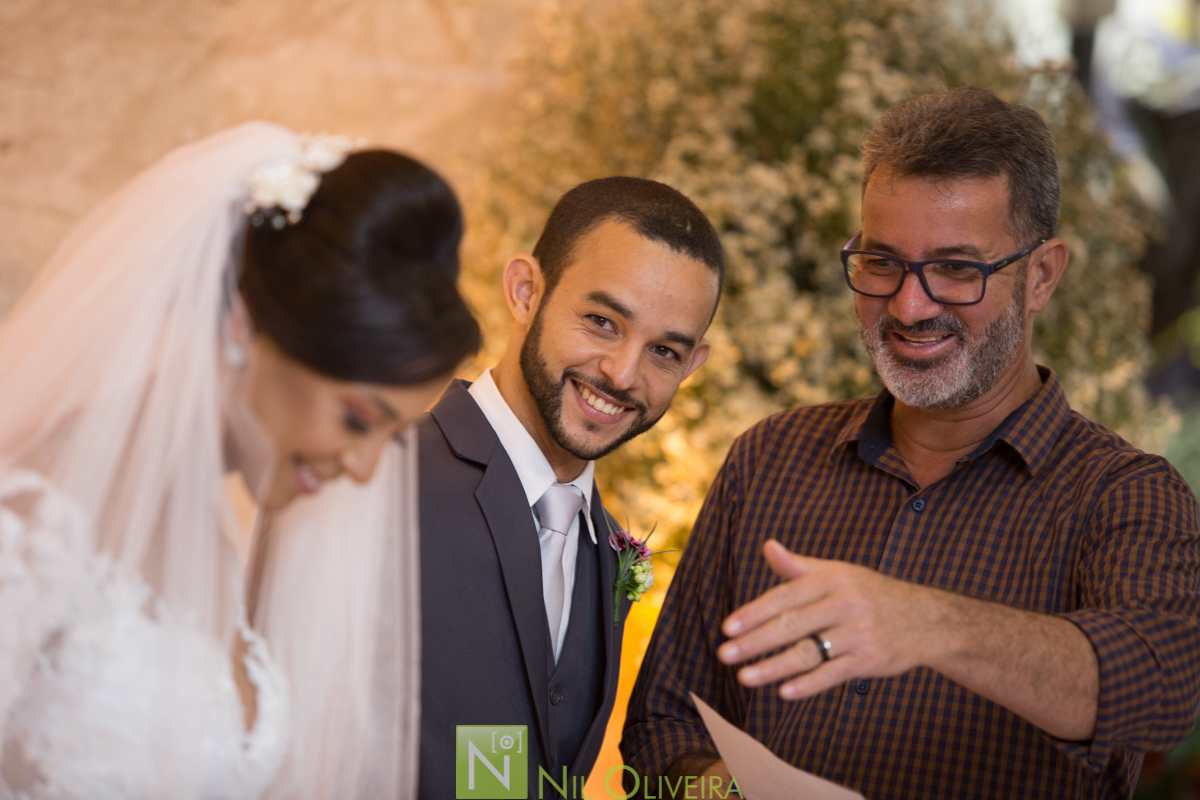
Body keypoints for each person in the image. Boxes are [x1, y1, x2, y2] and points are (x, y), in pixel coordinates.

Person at [621, 88, 1200, 800]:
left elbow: (1161, 690)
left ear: (1041, 275)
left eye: (958, 268)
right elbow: (660, 726)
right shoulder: (769, 458)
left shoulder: (1124, 494)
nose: (908, 305)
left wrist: (928, 624)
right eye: (881, 261)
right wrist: (723, 790)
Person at [0, 122, 480, 799]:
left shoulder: (212, 535)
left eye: (392, 438)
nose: (365, 469)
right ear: (243, 322)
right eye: (357, 419)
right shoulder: (27, 519)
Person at [416, 177, 724, 798]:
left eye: (664, 351)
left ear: (693, 366)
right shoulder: (378, 481)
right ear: (527, 292)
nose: (623, 373)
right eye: (602, 322)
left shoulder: (610, 549)